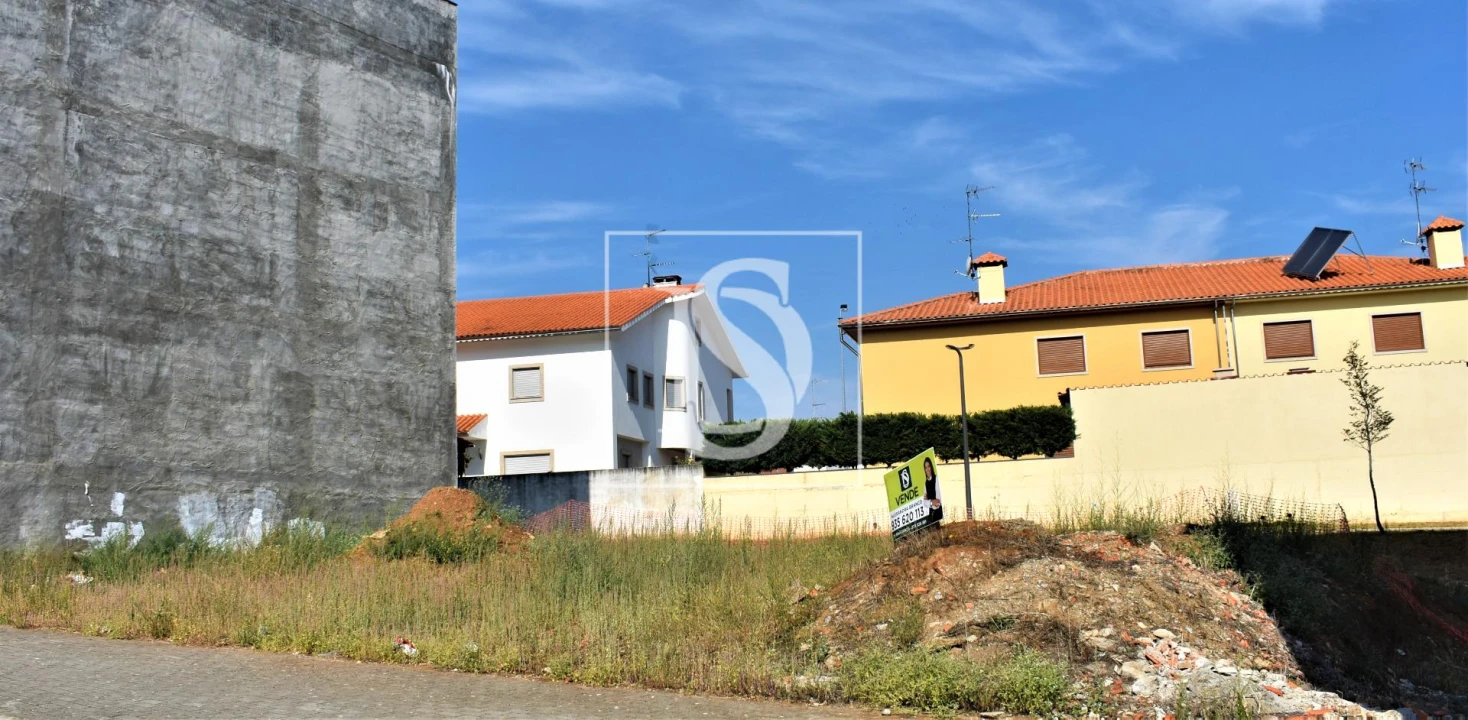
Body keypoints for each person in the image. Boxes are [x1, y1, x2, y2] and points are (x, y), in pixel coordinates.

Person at [922, 457, 943, 523]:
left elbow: (938, 500)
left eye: (928, 466)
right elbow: (924, 502)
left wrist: (929, 499)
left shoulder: (936, 479)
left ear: (931, 467)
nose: (927, 469)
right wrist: (931, 502)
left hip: (938, 512)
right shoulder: (925, 483)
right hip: (931, 515)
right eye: (925, 467)